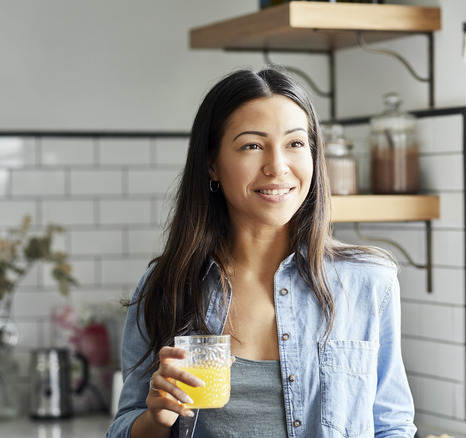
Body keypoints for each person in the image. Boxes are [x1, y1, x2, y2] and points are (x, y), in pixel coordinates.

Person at [106, 67, 416, 438]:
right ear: (212, 164)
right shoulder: (165, 286)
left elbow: (391, 425)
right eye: (252, 145)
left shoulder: (369, 281)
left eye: (295, 144)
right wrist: (155, 418)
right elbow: (124, 426)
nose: (277, 167)